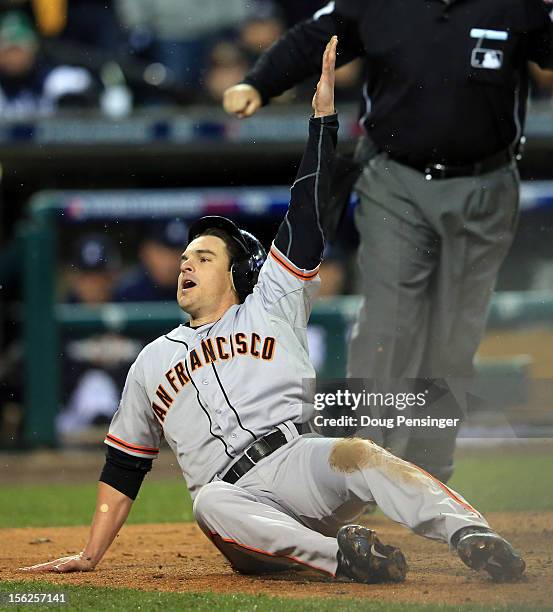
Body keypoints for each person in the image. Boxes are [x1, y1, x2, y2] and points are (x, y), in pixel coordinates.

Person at [22, 38, 525, 585]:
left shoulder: (271, 304)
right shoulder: (150, 362)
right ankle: (344, 557)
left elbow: (307, 215)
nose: (186, 264)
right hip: (239, 503)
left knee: (359, 451)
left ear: (237, 273)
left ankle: (470, 532)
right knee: (209, 501)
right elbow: (124, 466)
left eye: (204, 256)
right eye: (185, 257)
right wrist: (91, 552)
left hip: (299, 460)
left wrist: (323, 125)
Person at [223, 0, 553, 482]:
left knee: (454, 336)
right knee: (387, 324)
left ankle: (429, 467)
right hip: (395, 180)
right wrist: (260, 81)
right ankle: (367, 460)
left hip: (485, 187)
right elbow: (318, 36)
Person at [114, 219, 188, 303]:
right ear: (144, 252)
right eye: (161, 253)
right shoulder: (126, 294)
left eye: (177, 253)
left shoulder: (197, 291)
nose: (169, 263)